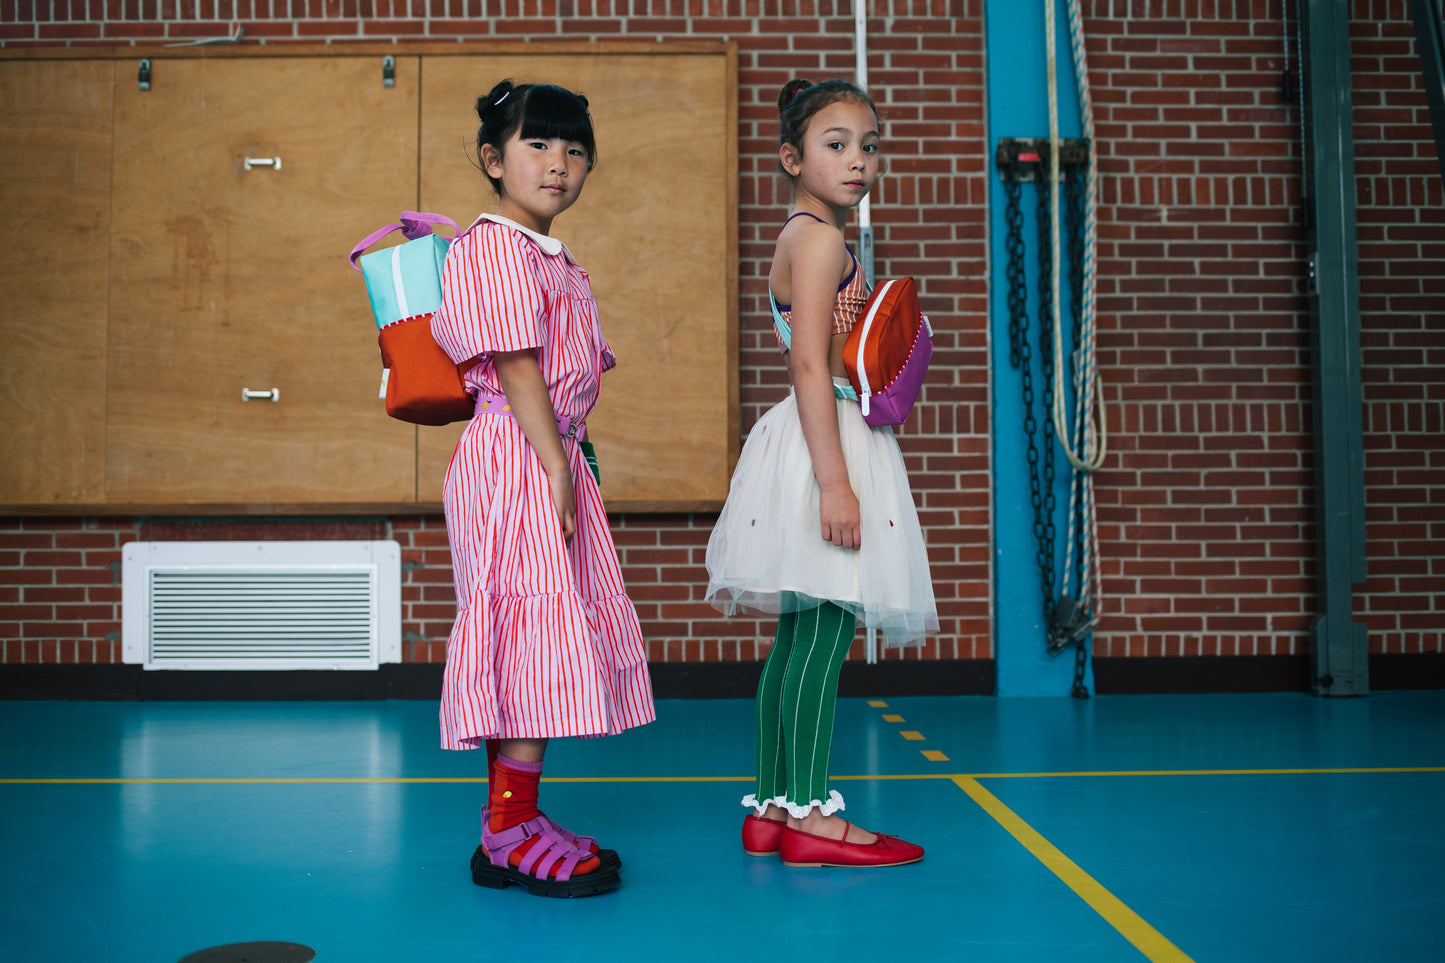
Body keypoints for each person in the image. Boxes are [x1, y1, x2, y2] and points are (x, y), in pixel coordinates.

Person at [705, 78, 938, 869]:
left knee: (798, 635)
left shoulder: (801, 233)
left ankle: (773, 806)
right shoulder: (822, 242)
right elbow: (810, 362)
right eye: (834, 144)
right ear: (790, 157)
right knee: (826, 634)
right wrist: (837, 483)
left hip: (807, 437)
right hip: (825, 441)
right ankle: (809, 815)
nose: (857, 160)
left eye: (868, 144)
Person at [431, 79, 655, 898]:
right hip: (518, 454)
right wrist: (557, 466)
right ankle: (507, 830)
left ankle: (509, 823)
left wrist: (569, 459)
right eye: (536, 145)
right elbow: (517, 361)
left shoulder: (544, 254)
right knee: (526, 636)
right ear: (494, 160)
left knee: (524, 640)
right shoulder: (492, 246)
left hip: (541, 449)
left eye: (574, 148)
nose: (558, 163)